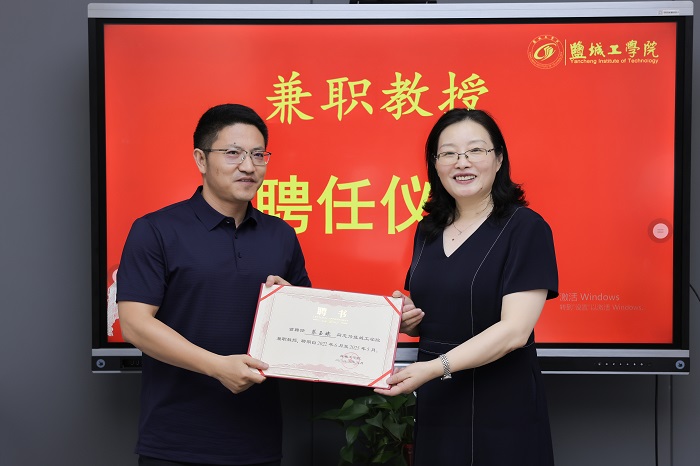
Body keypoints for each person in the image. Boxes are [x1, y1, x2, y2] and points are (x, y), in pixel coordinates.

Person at [117, 103, 311, 466]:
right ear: (201, 159)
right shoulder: (156, 230)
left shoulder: (281, 235)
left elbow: (308, 329)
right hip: (175, 443)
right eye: (233, 153)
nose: (249, 166)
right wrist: (217, 366)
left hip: (258, 442)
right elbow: (134, 324)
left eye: (258, 154)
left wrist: (291, 306)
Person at [378, 108, 558, 465]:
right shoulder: (428, 230)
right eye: (448, 153)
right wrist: (409, 318)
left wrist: (435, 368)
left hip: (502, 403)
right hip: (440, 401)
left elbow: (514, 332)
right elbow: (441, 311)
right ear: (435, 165)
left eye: (476, 150)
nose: (462, 162)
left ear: (499, 159)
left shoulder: (525, 228)